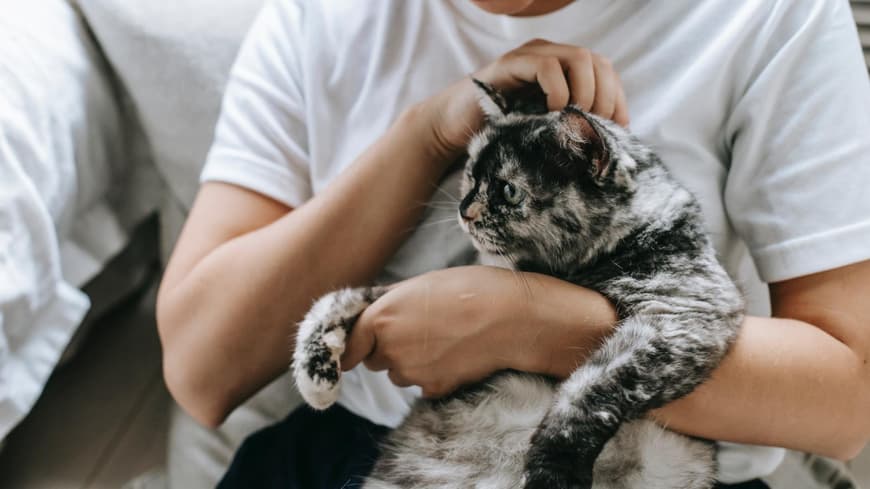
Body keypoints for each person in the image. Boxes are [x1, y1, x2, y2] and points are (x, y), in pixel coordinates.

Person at [155, 0, 870, 488]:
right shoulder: (320, 17)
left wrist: (529, 327)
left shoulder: (767, 17)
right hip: (367, 447)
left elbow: (849, 399)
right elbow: (201, 368)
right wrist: (430, 133)